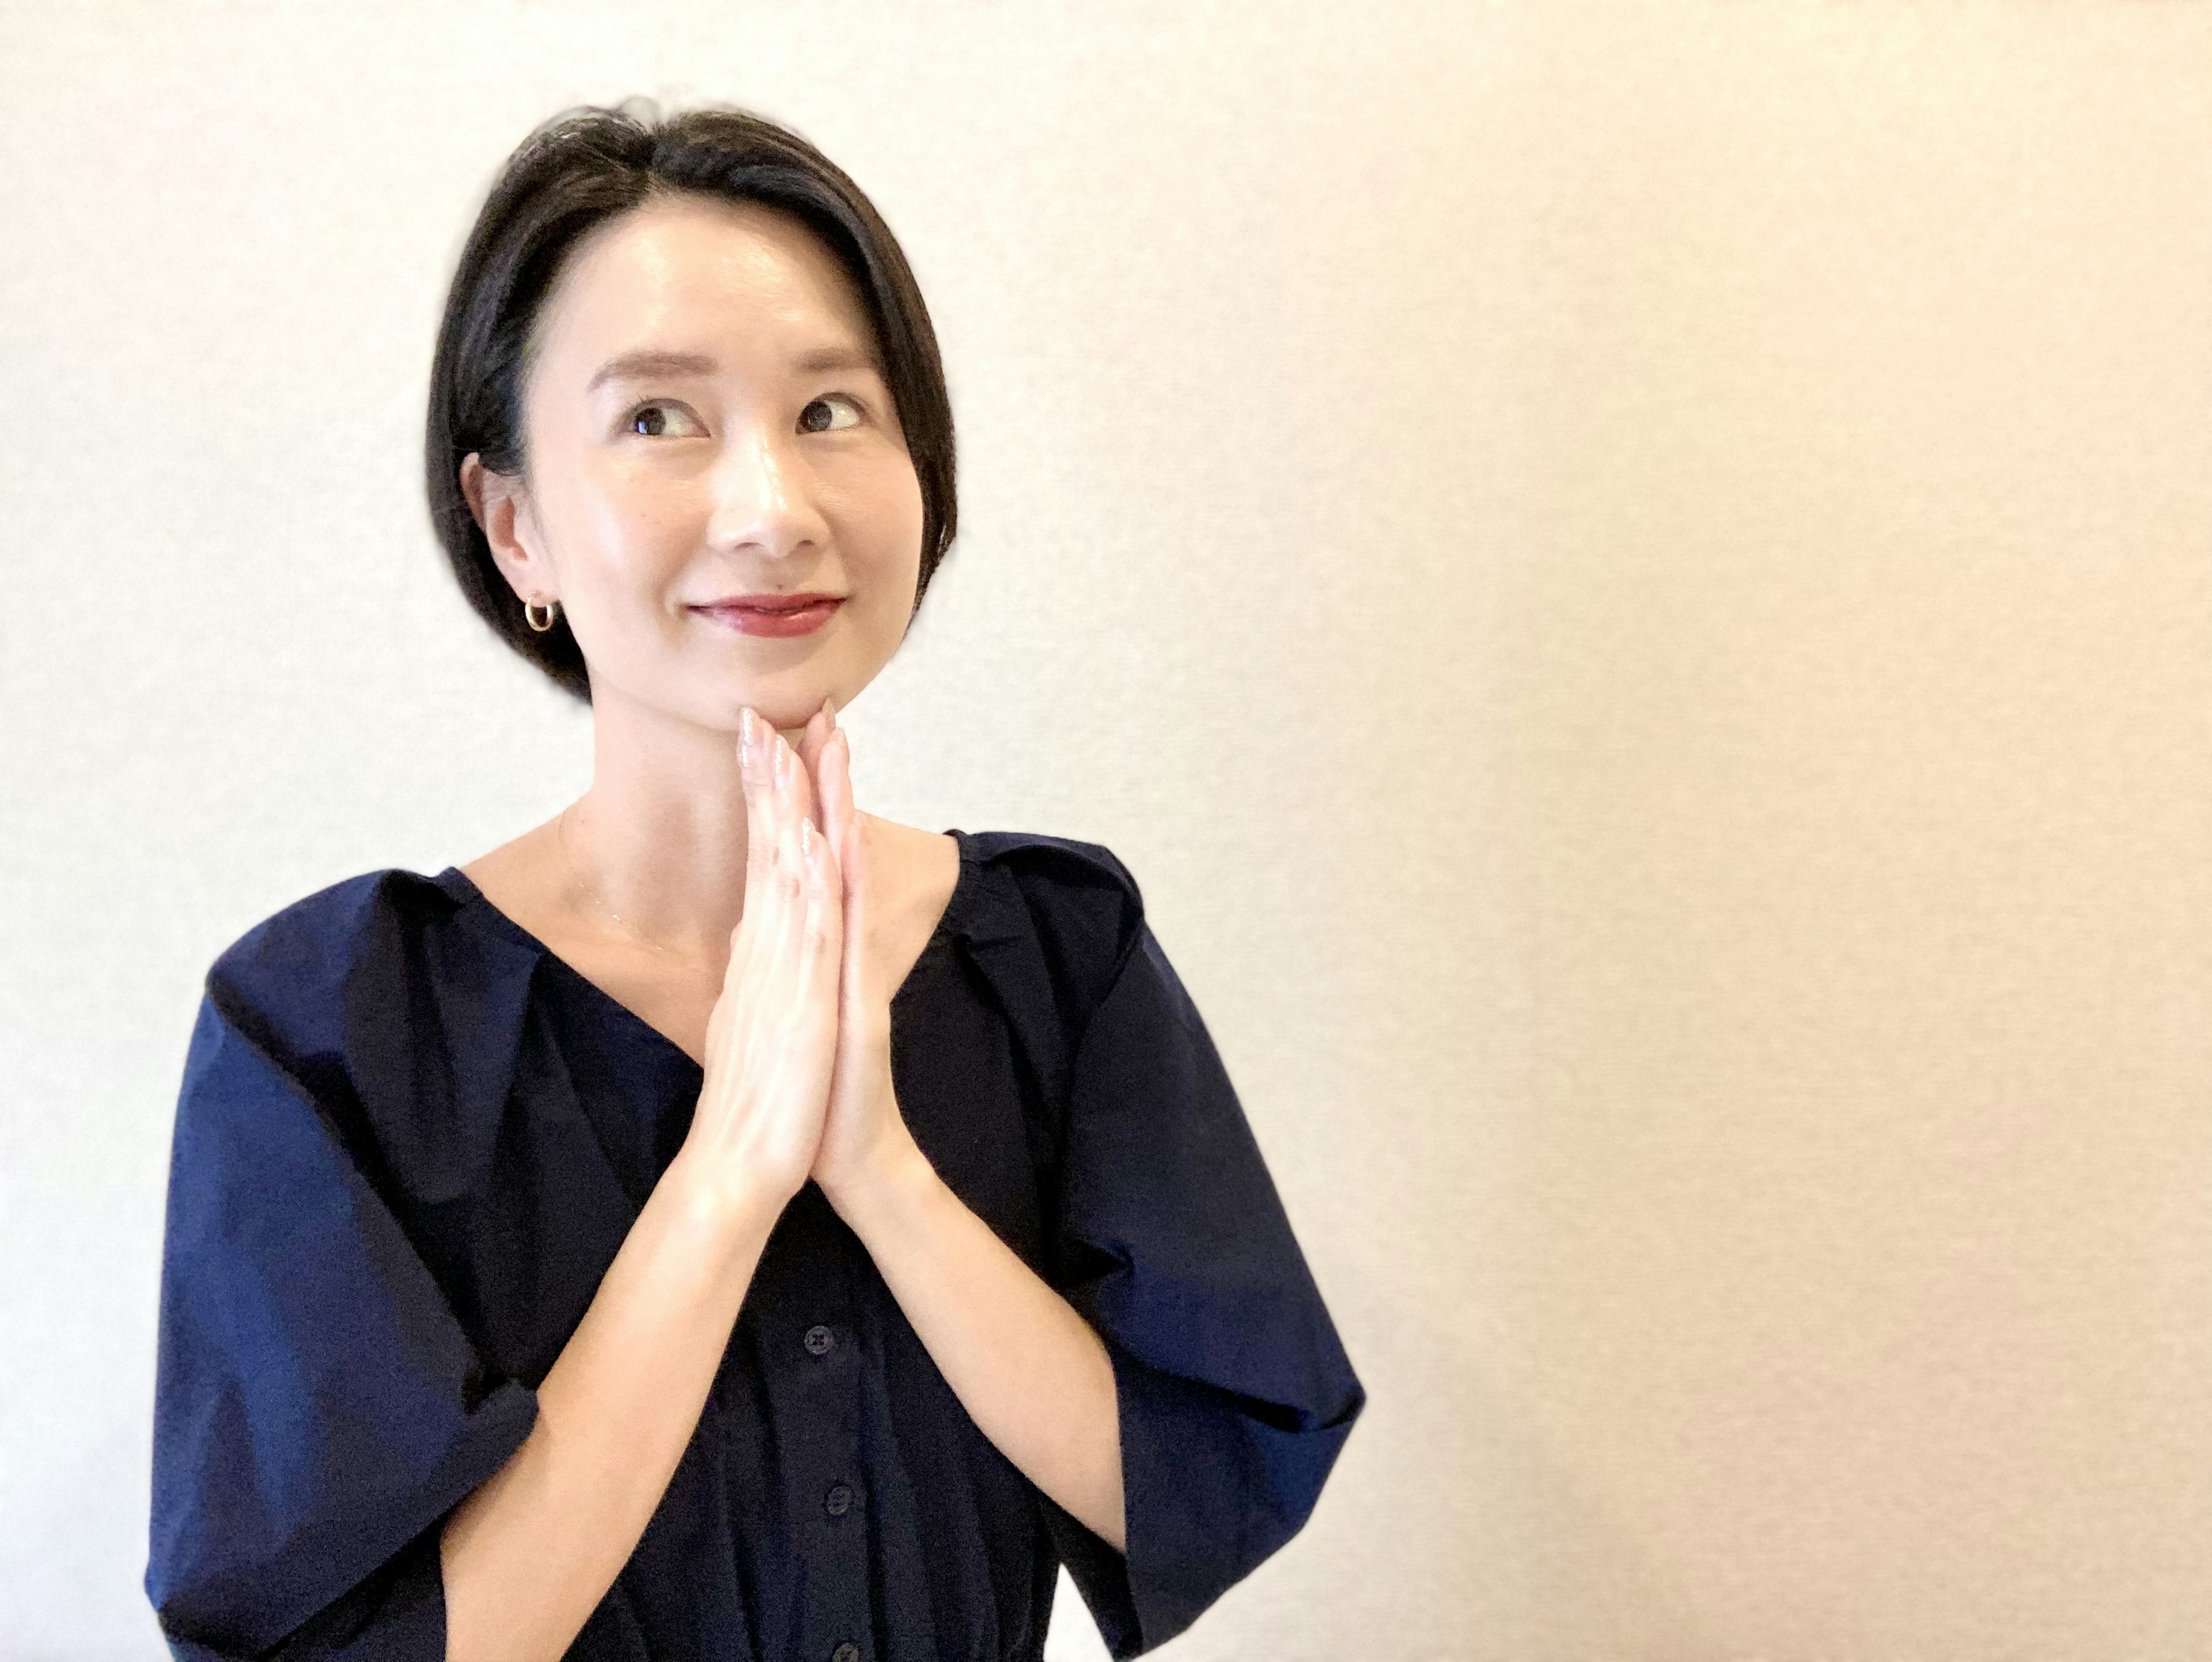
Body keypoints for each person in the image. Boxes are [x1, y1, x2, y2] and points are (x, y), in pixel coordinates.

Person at [143, 100, 1365, 1662]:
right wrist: (729, 1173)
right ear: (515, 525)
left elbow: (1207, 1482)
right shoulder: (332, 1031)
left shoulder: (1055, 957)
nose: (774, 509)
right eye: (658, 419)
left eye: (834, 411)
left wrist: (882, 1168)